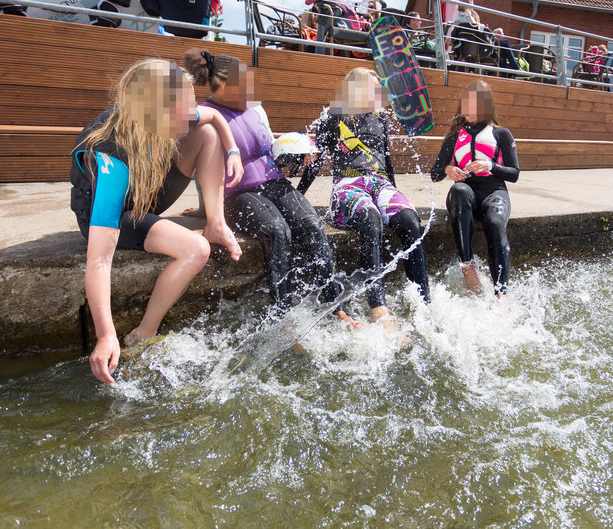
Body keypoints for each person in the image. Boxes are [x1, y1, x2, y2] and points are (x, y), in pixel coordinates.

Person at [70, 59, 244, 384]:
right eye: (185, 107)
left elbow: (216, 116)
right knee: (196, 249)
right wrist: (105, 334)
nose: (192, 111)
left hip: (146, 191)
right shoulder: (110, 159)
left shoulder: (170, 114)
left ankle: (216, 222)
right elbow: (99, 261)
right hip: (113, 214)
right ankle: (142, 335)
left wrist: (232, 151)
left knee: (206, 132)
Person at [181, 49, 356, 325]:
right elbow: (200, 162)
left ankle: (336, 306)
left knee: (310, 223)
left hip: (275, 183)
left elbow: (268, 151)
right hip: (238, 194)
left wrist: (294, 151)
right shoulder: (206, 114)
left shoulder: (255, 109)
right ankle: (282, 317)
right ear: (224, 86)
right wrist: (206, 210)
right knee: (276, 231)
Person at [297, 67, 431, 327]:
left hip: (380, 185)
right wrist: (298, 194)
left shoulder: (381, 120)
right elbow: (317, 162)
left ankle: (423, 303)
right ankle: (378, 304)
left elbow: (387, 160)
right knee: (370, 219)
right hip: (349, 185)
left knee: (410, 220)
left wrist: (395, 193)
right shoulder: (334, 117)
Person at [431, 80, 519, 298]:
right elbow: (435, 174)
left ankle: (501, 295)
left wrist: (490, 165)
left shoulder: (501, 134)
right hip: (465, 194)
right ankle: (467, 266)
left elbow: (514, 174)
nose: (467, 109)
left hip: (493, 191)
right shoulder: (454, 137)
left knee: (494, 222)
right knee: (459, 190)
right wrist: (448, 169)